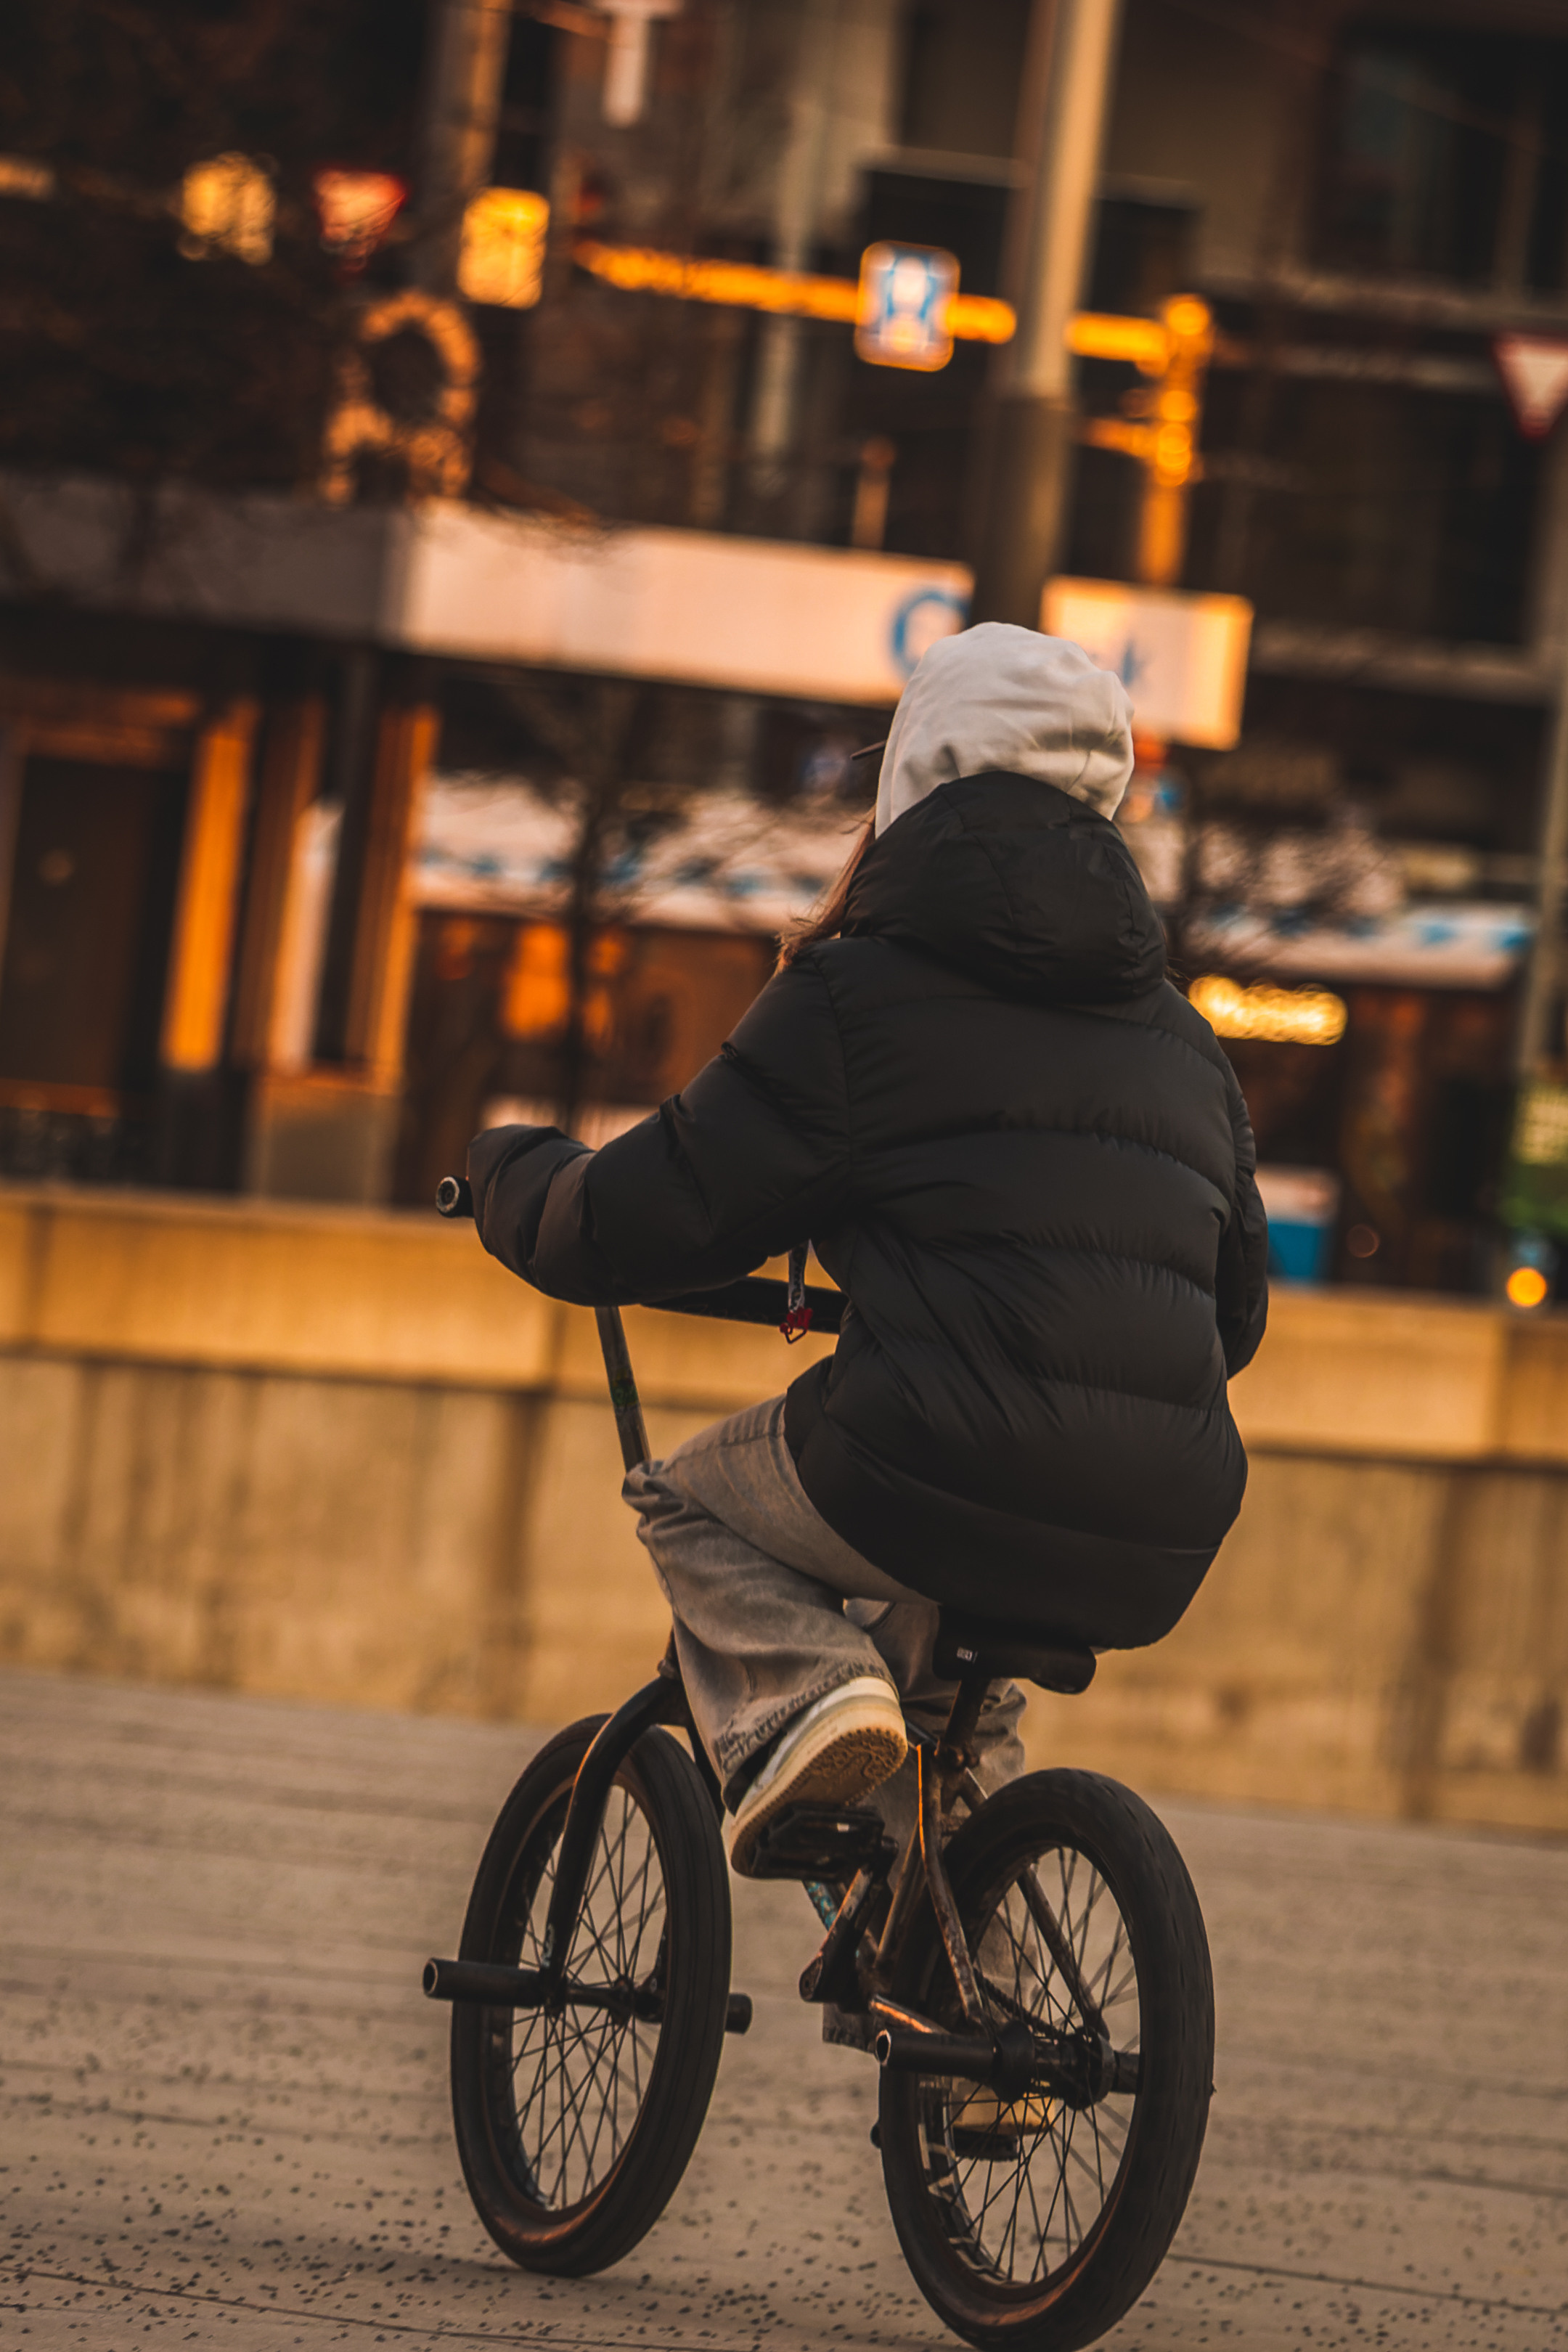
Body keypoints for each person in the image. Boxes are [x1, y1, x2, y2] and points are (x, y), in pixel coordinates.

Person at [467, 621, 1268, 1877]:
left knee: (685, 1499)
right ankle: (981, 1987)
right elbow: (1236, 1321)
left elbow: (644, 1219)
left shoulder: (855, 995)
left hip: (924, 1462)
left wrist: (512, 1173)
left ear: (914, 781)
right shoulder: (1186, 1041)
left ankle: (808, 1692)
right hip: (1164, 1519)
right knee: (954, 1719)